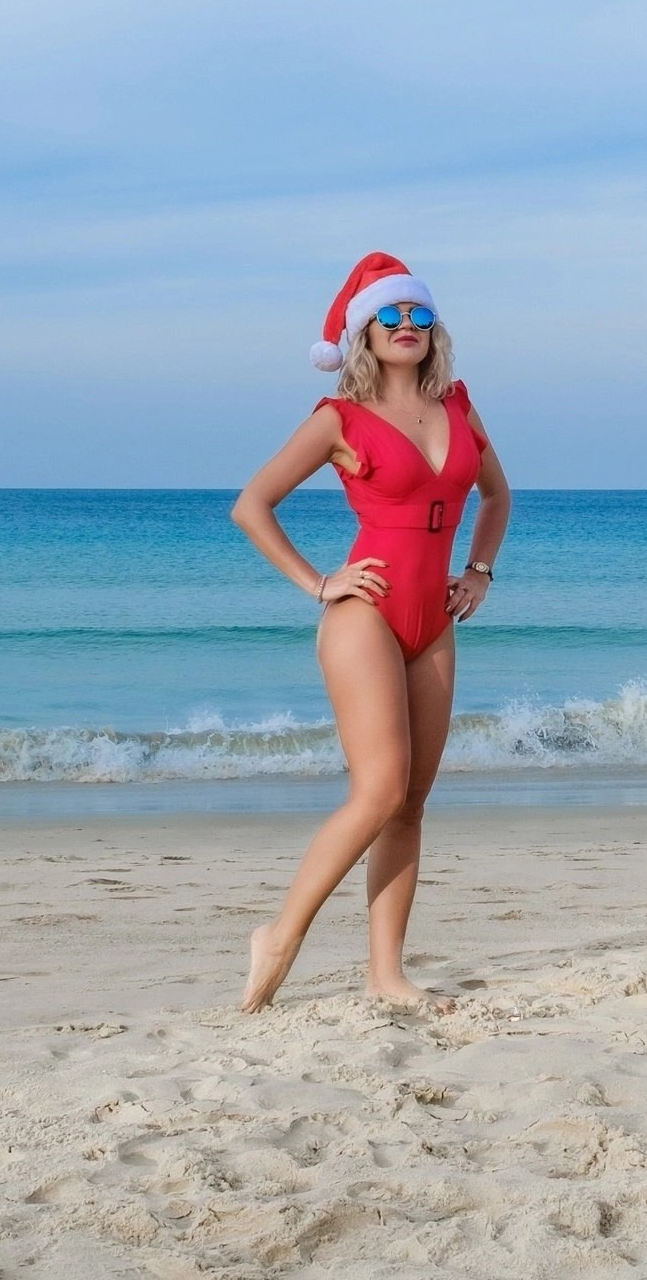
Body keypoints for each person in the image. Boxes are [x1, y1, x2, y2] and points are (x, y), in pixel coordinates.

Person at [229, 252, 511, 1011]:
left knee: (413, 802)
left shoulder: (457, 403)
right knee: (380, 788)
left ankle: (386, 975)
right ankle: (280, 934)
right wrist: (321, 582)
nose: (409, 325)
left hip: (434, 622)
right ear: (365, 331)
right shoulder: (339, 419)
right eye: (392, 315)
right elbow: (252, 504)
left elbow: (495, 493)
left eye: (420, 313)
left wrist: (480, 569)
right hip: (367, 614)